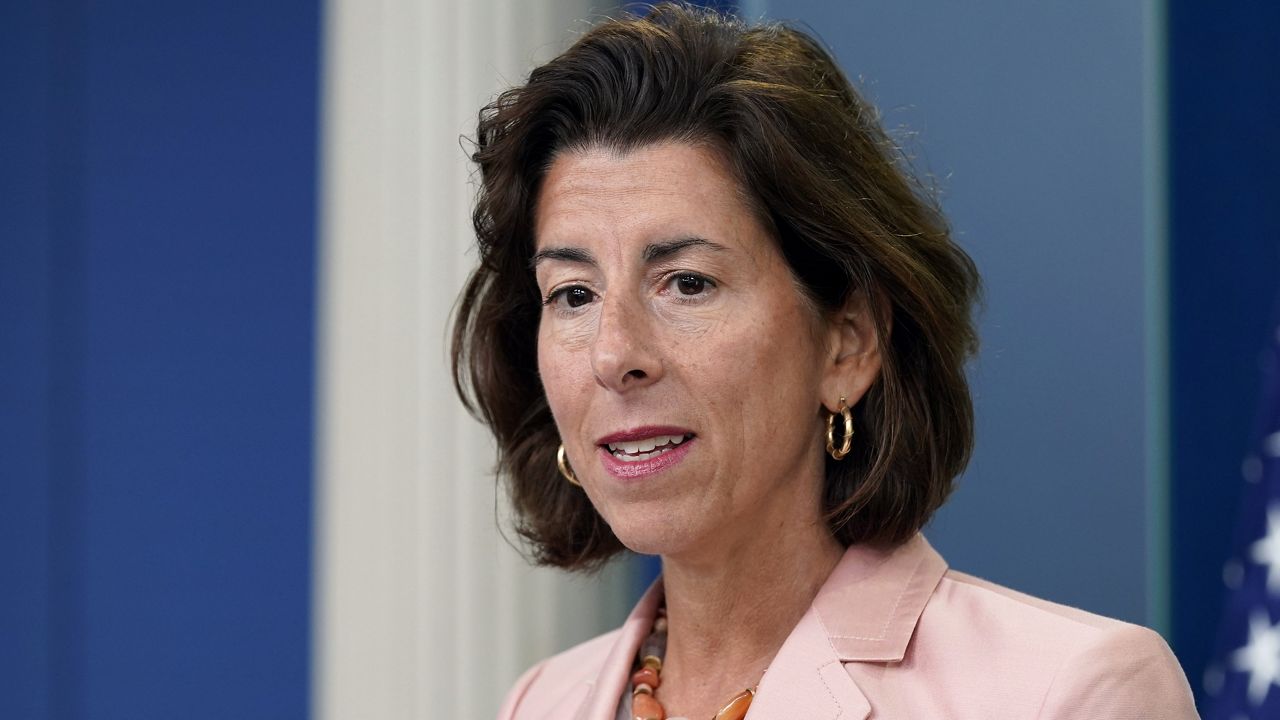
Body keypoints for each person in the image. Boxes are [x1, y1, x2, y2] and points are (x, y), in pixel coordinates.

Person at [452, 4, 1198, 719]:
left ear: (847, 344)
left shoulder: (1071, 694)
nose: (615, 355)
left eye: (687, 283)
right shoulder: (541, 702)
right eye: (574, 294)